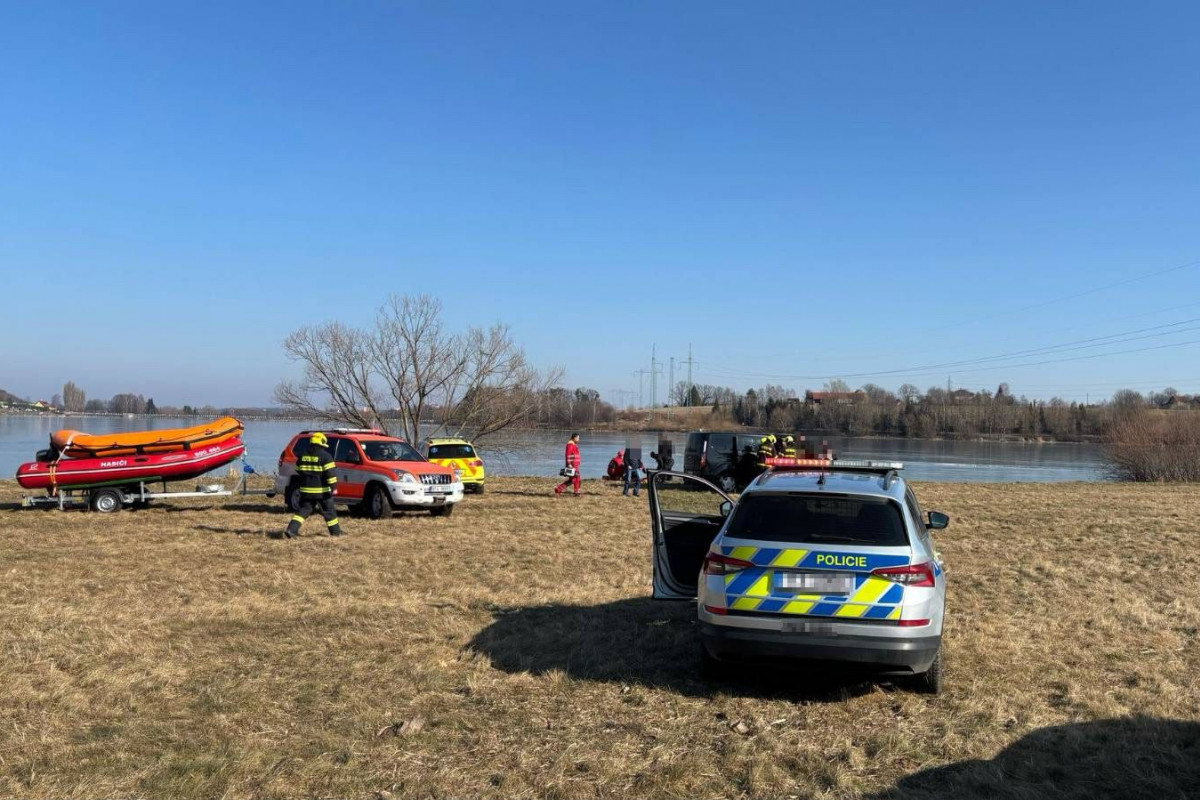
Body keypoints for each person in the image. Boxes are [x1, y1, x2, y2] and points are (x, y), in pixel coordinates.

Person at [281, 431, 342, 538]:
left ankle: (291, 530)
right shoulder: (326, 456)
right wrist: (334, 488)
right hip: (322, 491)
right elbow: (330, 474)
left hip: (306, 490)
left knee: (303, 511)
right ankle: (336, 533)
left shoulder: (303, 455)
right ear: (322, 443)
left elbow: (298, 469)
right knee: (329, 511)